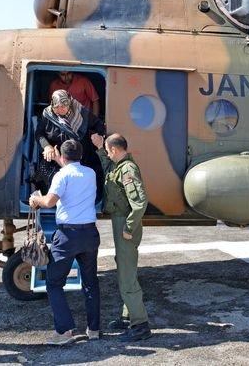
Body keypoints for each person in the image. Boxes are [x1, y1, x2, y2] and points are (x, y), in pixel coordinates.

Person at [30, 139, 101, 345]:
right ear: (81, 155)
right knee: (90, 283)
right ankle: (94, 329)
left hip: (67, 236)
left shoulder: (62, 175)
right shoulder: (90, 173)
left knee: (53, 283)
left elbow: (50, 201)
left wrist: (37, 199)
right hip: (89, 233)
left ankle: (65, 331)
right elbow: (73, 170)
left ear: (61, 157)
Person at [91, 132, 152, 342]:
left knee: (126, 276)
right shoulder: (119, 166)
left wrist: (128, 227)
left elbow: (140, 202)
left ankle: (140, 324)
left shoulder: (128, 169)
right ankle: (128, 317)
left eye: (108, 150)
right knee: (125, 268)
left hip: (126, 223)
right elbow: (108, 169)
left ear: (115, 150)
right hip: (121, 221)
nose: (107, 154)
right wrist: (100, 147)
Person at [34, 90, 105, 195]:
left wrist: (98, 135)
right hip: (56, 158)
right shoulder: (47, 115)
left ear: (69, 103)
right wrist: (47, 146)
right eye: (56, 107)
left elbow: (98, 124)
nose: (60, 109)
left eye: (63, 106)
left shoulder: (80, 111)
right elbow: (39, 134)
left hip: (79, 158)